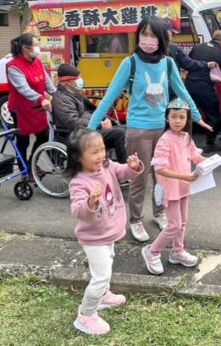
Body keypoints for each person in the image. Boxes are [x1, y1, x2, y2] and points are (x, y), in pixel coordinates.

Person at [88, 16, 210, 243]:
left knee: (162, 177)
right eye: (144, 34)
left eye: (153, 35)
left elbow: (181, 91)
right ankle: (135, 219)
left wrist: (196, 115)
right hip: (138, 130)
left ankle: (159, 212)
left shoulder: (168, 63)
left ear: (162, 39)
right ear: (138, 37)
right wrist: (90, 126)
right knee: (139, 178)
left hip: (163, 131)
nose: (148, 39)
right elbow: (110, 97)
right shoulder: (130, 63)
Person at [68, 128, 143, 336]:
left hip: (108, 232)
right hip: (93, 238)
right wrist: (90, 201)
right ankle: (85, 316)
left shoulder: (108, 166)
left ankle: (103, 296)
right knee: (100, 276)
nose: (101, 155)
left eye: (102, 149)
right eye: (94, 152)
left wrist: (133, 167)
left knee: (107, 263)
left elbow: (124, 172)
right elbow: (77, 210)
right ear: (78, 157)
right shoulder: (79, 182)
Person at [141, 98, 208, 275]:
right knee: (174, 225)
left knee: (182, 222)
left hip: (184, 186)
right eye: (174, 116)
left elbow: (195, 155)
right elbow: (160, 168)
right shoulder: (165, 140)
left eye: (181, 117)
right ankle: (152, 251)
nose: (178, 121)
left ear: (187, 119)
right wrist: (185, 176)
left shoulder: (186, 137)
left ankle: (177, 251)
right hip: (171, 188)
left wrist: (210, 162)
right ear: (167, 118)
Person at [52, 65, 127, 165]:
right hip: (76, 135)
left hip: (88, 129)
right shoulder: (61, 99)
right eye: (77, 79)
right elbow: (73, 123)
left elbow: (93, 110)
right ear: (69, 82)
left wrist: (106, 120)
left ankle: (126, 164)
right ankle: (124, 170)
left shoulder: (74, 93)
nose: (81, 80)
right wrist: (99, 124)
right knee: (119, 133)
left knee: (127, 128)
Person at [6, 33, 56, 167]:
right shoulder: (14, 66)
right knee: (23, 141)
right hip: (21, 109)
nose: (38, 47)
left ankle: (32, 164)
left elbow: (46, 81)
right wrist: (41, 99)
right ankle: (24, 168)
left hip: (38, 107)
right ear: (26, 48)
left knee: (44, 137)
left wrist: (57, 94)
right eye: (36, 45)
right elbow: (23, 89)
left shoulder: (37, 61)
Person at [185, 30, 221, 153]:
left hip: (189, 85)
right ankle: (210, 143)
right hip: (204, 87)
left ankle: (181, 143)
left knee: (186, 114)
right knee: (214, 115)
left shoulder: (197, 47)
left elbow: (188, 62)